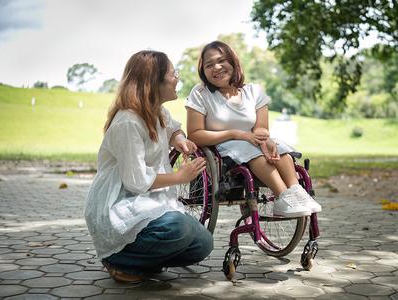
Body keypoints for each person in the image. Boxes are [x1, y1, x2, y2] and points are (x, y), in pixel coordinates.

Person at [85, 50, 213, 283]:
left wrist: (180, 140)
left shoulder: (157, 111)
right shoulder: (128, 121)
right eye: (174, 74)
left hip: (148, 201)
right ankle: (118, 260)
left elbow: (173, 128)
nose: (178, 79)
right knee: (179, 227)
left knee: (203, 244)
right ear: (155, 81)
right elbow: (135, 182)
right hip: (119, 204)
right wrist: (180, 177)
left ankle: (143, 261)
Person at [186, 41, 321, 218]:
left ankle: (296, 192)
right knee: (252, 151)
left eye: (221, 61)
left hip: (252, 143)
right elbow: (195, 135)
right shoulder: (201, 93)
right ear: (203, 71)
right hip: (221, 151)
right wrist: (236, 134)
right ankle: (282, 196)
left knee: (279, 149)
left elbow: (261, 129)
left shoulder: (253, 91)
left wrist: (266, 141)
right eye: (209, 65)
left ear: (233, 62)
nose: (216, 67)